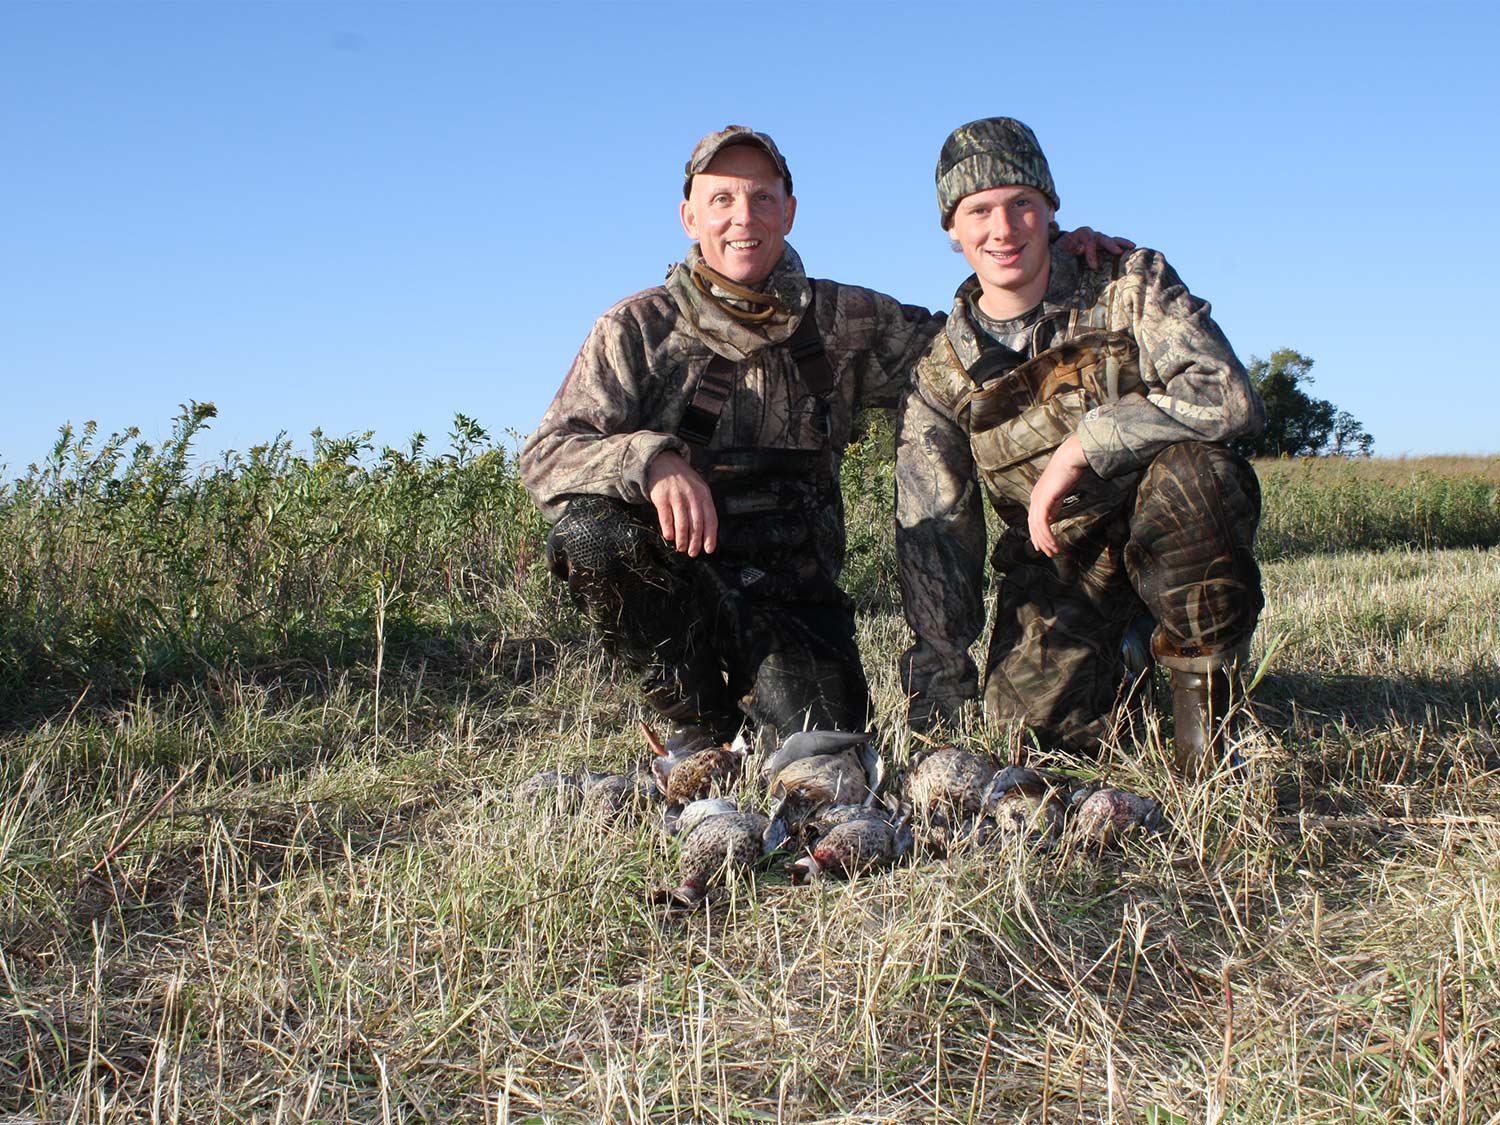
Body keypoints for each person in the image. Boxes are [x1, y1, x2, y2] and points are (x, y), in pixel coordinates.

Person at [521, 125, 1122, 744]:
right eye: (722, 199)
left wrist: (1056, 257)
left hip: (792, 597)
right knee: (592, 531)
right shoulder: (635, 328)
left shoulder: (847, 319)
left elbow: (978, 343)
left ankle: (775, 699)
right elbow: (547, 455)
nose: (742, 218)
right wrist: (650, 461)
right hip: (681, 590)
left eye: (761, 198)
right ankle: (694, 724)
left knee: (824, 747)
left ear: (789, 211)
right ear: (689, 217)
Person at [896, 117, 1265, 773]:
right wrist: (934, 721)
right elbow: (938, 543)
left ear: (1050, 209)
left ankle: (1208, 731)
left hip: (1160, 526)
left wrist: (1086, 446)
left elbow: (1227, 397)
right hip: (1058, 568)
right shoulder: (941, 373)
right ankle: (1130, 656)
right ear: (952, 229)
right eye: (979, 210)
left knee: (1196, 478)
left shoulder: (1129, 281)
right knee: (1034, 741)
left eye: (1022, 205)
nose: (1003, 229)